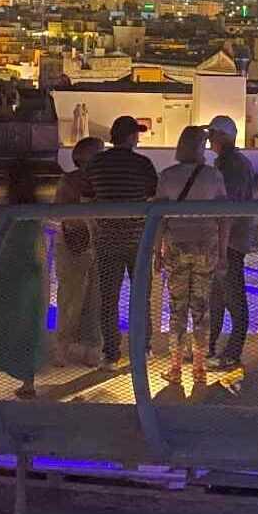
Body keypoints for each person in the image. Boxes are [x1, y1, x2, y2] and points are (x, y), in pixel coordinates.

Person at [154, 126, 228, 389]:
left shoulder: (167, 176)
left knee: (177, 308)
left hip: (176, 246)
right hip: (205, 247)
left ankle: (175, 367)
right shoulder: (213, 176)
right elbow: (224, 217)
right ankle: (199, 368)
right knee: (201, 308)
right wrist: (222, 250)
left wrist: (157, 251)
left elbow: (159, 218)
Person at [85, 116, 159, 368]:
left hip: (106, 239)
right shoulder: (142, 164)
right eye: (136, 133)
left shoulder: (96, 163)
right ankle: (142, 348)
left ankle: (111, 353)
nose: (138, 137)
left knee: (108, 299)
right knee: (141, 297)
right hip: (137, 239)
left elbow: (88, 194)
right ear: (129, 137)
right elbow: (152, 194)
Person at [0, 159, 48, 397]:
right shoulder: (36, 210)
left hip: (5, 272)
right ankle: (27, 381)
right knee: (28, 323)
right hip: (29, 273)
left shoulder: (6, 211)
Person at [204, 114, 256, 369]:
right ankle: (214, 350)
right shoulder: (236, 163)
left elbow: (228, 209)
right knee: (219, 299)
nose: (209, 139)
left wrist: (222, 247)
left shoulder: (230, 165)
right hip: (231, 242)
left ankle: (228, 353)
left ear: (223, 136)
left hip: (229, 244)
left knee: (230, 299)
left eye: (212, 134)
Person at [52, 136, 105, 366]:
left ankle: (82, 348)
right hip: (77, 245)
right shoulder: (73, 182)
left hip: (81, 245)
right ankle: (73, 348)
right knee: (76, 298)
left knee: (87, 298)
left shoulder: (71, 181)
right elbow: (61, 212)